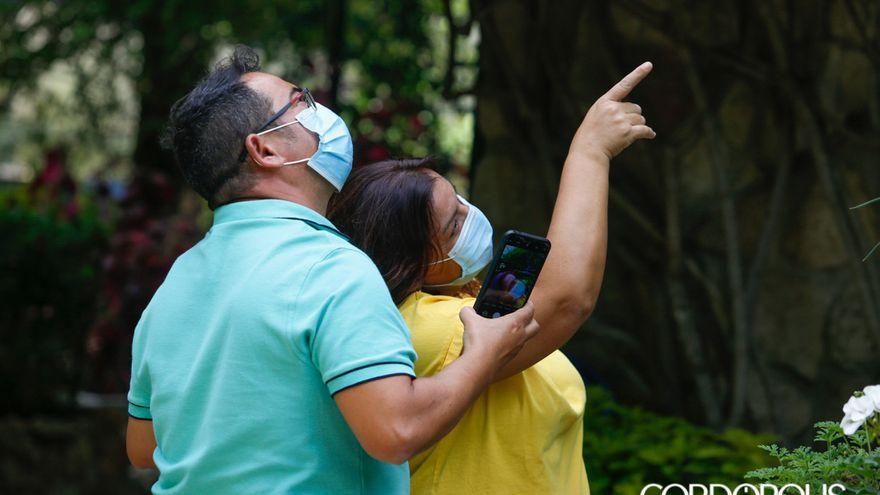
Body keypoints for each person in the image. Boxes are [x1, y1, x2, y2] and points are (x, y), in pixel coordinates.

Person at [124, 46, 540, 494]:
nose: (317, 108)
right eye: (300, 101)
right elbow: (397, 430)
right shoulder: (330, 269)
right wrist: (484, 354)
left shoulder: (175, 284)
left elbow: (144, 447)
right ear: (264, 149)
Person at [328, 62, 655, 494]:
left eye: (460, 201)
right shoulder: (428, 328)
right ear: (412, 263)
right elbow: (565, 300)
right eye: (453, 225)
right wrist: (590, 152)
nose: (470, 217)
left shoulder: (466, 300)